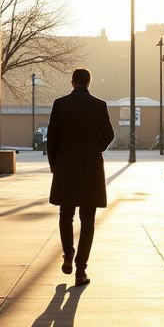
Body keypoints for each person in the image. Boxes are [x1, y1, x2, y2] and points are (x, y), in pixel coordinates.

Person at [46, 68, 116, 286]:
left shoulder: (60, 104)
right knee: (88, 221)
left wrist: (54, 163)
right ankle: (81, 270)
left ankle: (68, 253)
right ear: (89, 83)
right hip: (90, 168)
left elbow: (52, 137)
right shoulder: (99, 105)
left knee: (65, 214)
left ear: (72, 82)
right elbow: (109, 134)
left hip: (66, 166)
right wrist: (95, 149)